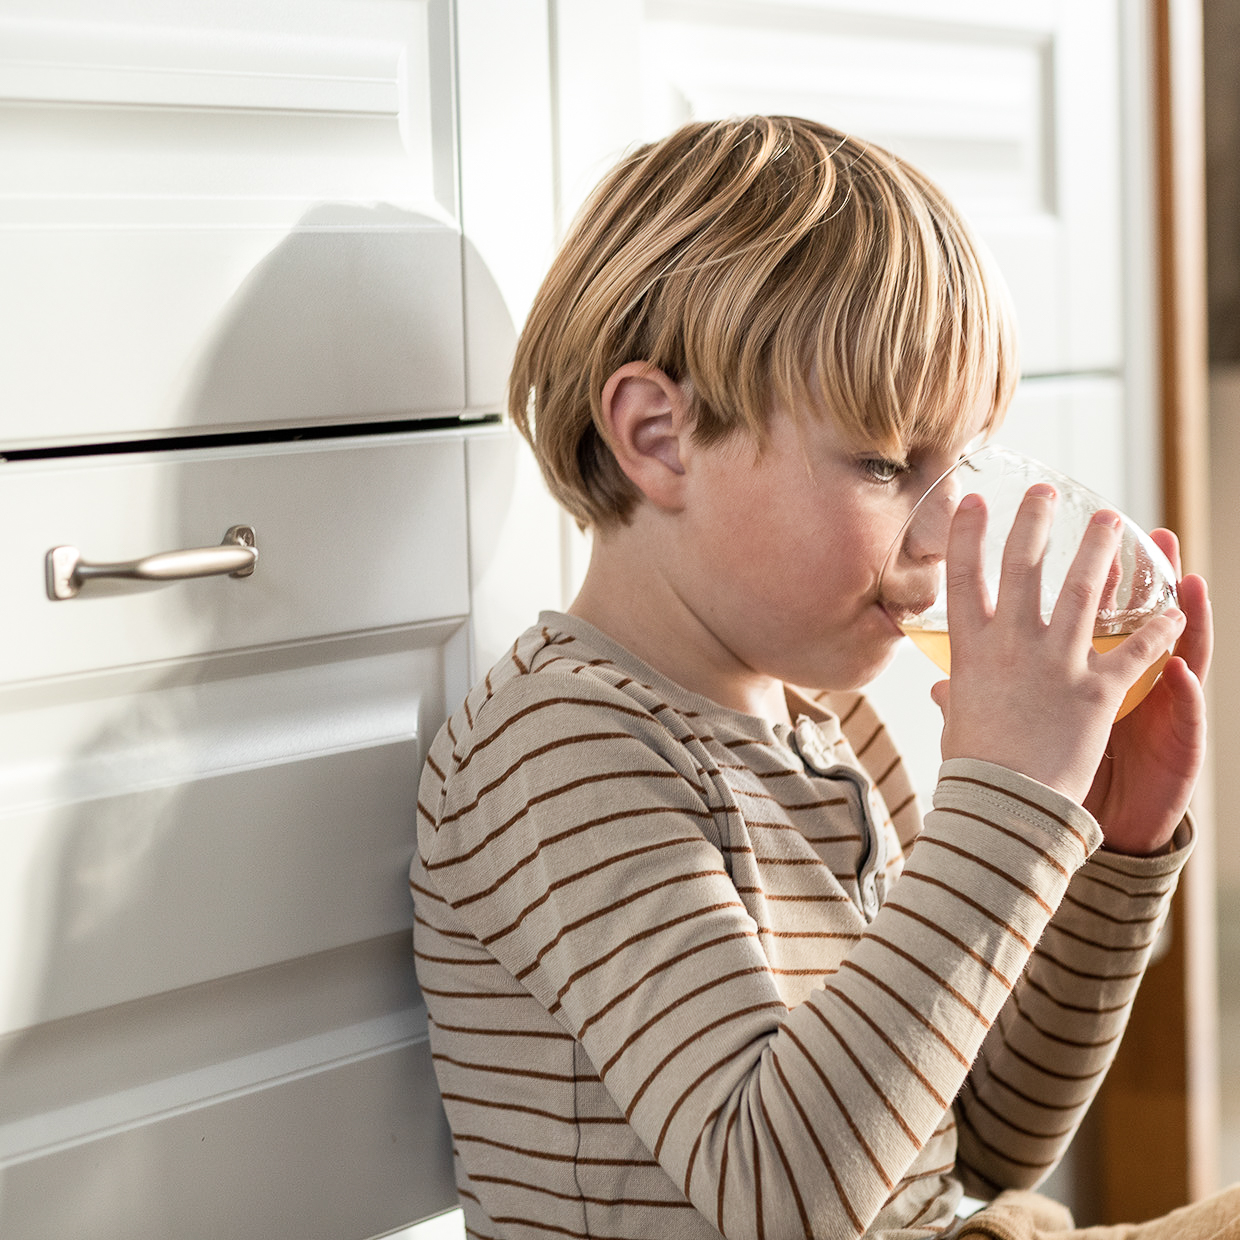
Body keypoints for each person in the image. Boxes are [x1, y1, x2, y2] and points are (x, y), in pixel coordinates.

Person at [410, 115, 1225, 1238]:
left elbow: (986, 1141)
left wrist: (1106, 845)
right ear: (658, 436)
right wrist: (1007, 804)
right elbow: (780, 1195)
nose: (942, 536)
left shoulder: (834, 728)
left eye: (964, 463)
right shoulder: (563, 748)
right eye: (890, 464)